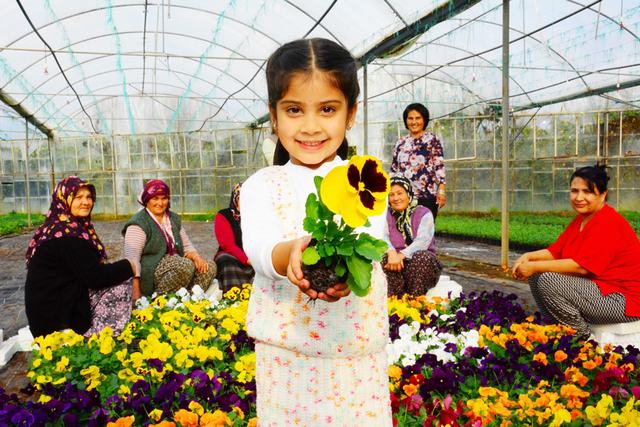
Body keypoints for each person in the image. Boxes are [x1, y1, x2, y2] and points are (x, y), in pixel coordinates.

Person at [240, 38, 392, 425]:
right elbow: (259, 248)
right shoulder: (263, 184)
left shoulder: (363, 178)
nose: (310, 126)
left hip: (355, 356)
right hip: (287, 360)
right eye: (294, 110)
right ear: (273, 116)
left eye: (327, 109)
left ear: (351, 113)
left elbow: (370, 243)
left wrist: (344, 268)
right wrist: (293, 253)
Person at [512, 165, 640, 339]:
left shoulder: (609, 223)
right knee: (537, 276)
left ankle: (580, 341)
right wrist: (528, 257)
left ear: (603, 195)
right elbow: (556, 252)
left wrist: (534, 266)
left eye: (587, 192)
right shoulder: (582, 220)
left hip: (624, 301)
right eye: (574, 191)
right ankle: (559, 332)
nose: (579, 197)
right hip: (602, 290)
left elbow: (582, 268)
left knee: (549, 280)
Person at [25, 176, 135, 338]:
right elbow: (95, 276)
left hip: (49, 310)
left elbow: (87, 270)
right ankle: (97, 335)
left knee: (116, 273)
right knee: (122, 282)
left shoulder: (59, 226)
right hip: (54, 322)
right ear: (63, 199)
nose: (86, 202)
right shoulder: (66, 235)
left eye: (89, 197)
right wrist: (129, 265)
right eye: (78, 197)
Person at [122, 179, 216, 299]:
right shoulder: (139, 223)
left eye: (164, 198)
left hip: (177, 267)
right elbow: (132, 260)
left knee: (209, 266)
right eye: (155, 199)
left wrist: (197, 258)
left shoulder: (173, 219)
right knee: (184, 265)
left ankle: (188, 299)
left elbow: (186, 246)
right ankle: (158, 300)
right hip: (151, 272)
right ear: (146, 201)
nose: (160, 203)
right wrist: (136, 294)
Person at [384, 175, 442, 297]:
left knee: (421, 257)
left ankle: (415, 303)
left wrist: (401, 255)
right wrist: (391, 253)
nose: (396, 198)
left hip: (420, 264)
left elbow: (423, 241)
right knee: (383, 258)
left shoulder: (424, 213)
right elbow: (382, 236)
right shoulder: (385, 215)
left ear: (408, 193)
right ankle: (394, 304)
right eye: (391, 195)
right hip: (395, 264)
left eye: (400, 193)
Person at [391, 102, 446, 219]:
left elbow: (439, 167)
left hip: (426, 196)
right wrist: (391, 192)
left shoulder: (432, 140)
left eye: (418, 118)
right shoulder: (401, 142)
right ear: (406, 121)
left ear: (424, 120)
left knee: (424, 231)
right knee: (404, 232)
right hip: (404, 197)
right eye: (410, 118)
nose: (414, 122)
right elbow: (394, 169)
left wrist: (441, 191)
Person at [213, 183, 255, 291]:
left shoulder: (256, 216)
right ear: (236, 198)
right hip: (232, 257)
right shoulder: (223, 215)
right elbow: (227, 245)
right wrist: (247, 260)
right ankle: (232, 298)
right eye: (242, 198)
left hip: (253, 257)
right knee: (225, 260)